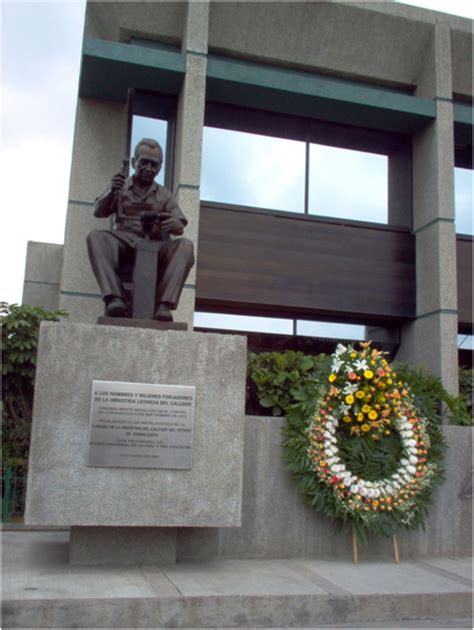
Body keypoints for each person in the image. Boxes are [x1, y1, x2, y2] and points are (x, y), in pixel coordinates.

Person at [87, 138, 194, 321]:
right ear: (135, 161)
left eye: (154, 165)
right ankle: (115, 299)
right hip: (124, 241)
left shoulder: (163, 194)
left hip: (155, 244)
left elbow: (179, 225)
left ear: (159, 168)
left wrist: (172, 224)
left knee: (185, 246)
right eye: (144, 162)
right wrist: (112, 192)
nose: (148, 169)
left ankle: (163, 305)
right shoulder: (120, 186)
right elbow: (99, 212)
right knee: (95, 237)